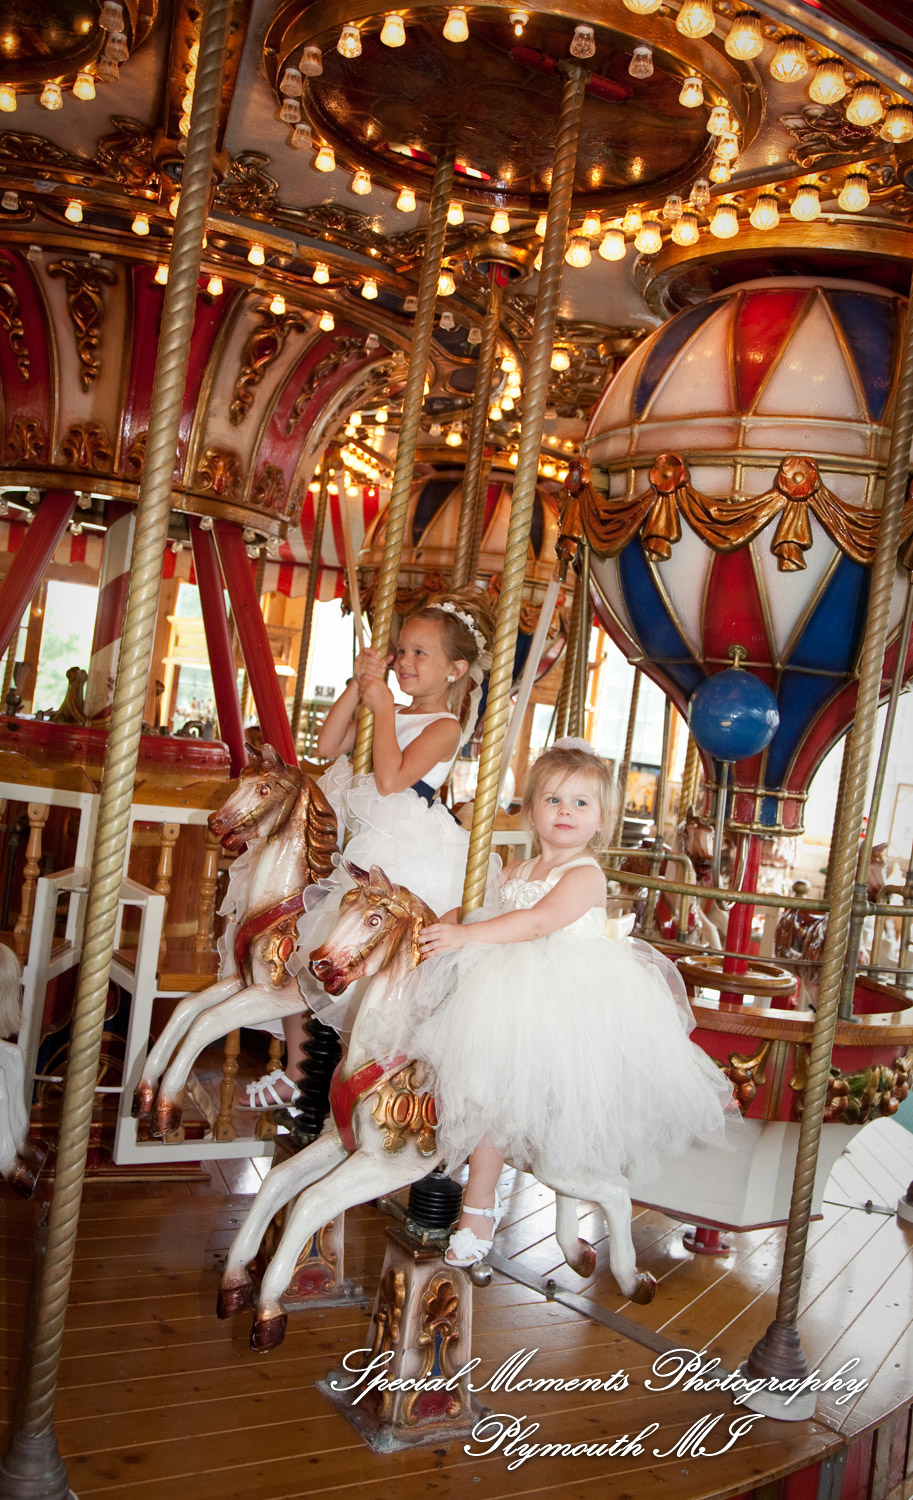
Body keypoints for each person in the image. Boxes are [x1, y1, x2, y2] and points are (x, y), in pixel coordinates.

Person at [390, 739, 736, 1267]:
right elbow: (483, 908)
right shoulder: (515, 869)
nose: (565, 812)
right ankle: (458, 1183)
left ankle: (481, 1205)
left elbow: (537, 922)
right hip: (503, 990)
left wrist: (467, 938)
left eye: (580, 803)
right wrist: (445, 921)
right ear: (530, 812)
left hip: (560, 999)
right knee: (477, 1089)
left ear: (602, 819)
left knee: (498, 1093)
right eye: (552, 800)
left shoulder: (584, 874)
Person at [239, 589, 496, 1111]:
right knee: (297, 948)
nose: (404, 661)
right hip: (361, 843)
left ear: (455, 669)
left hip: (401, 855)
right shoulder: (392, 709)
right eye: (402, 650)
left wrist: (382, 709)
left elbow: (390, 778)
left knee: (358, 970)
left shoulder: (444, 727)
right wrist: (360, 690)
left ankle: (374, 1088)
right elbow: (328, 745)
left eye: (420, 653)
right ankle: (297, 1068)